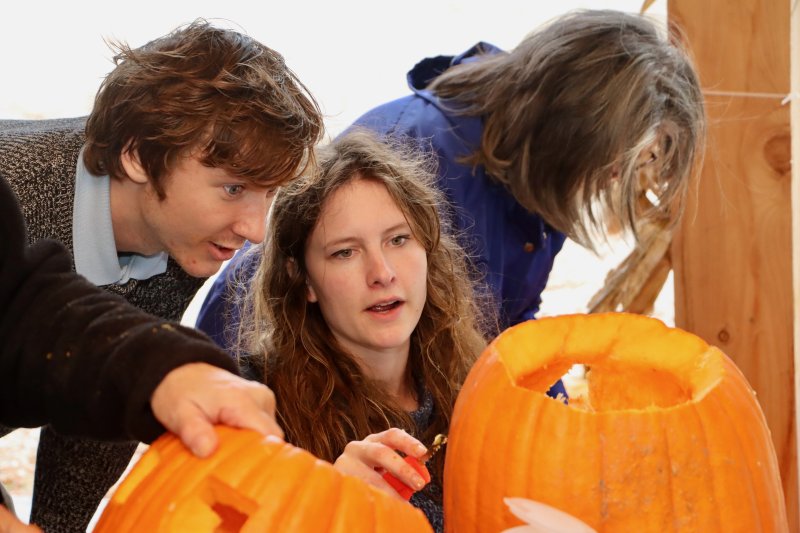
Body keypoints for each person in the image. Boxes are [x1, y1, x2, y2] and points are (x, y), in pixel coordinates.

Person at [197, 9, 705, 346]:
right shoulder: (409, 151)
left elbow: (502, 323)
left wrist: (553, 412)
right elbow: (253, 310)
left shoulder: (539, 169)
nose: (614, 175)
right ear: (566, 124)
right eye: (612, 159)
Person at [0, 19, 323, 532]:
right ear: (135, 156)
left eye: (270, 193)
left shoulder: (186, 237)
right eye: (234, 188)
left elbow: (93, 412)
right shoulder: (13, 190)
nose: (255, 231)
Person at [233, 130, 490, 532]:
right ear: (302, 280)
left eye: (398, 239)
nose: (382, 273)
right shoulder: (250, 412)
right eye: (344, 252)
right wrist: (324, 510)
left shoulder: (478, 380)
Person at [0, 175, 283, 533]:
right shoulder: (32, 185)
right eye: (233, 189)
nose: (256, 231)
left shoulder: (184, 246)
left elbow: (18, 307)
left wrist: (158, 369)